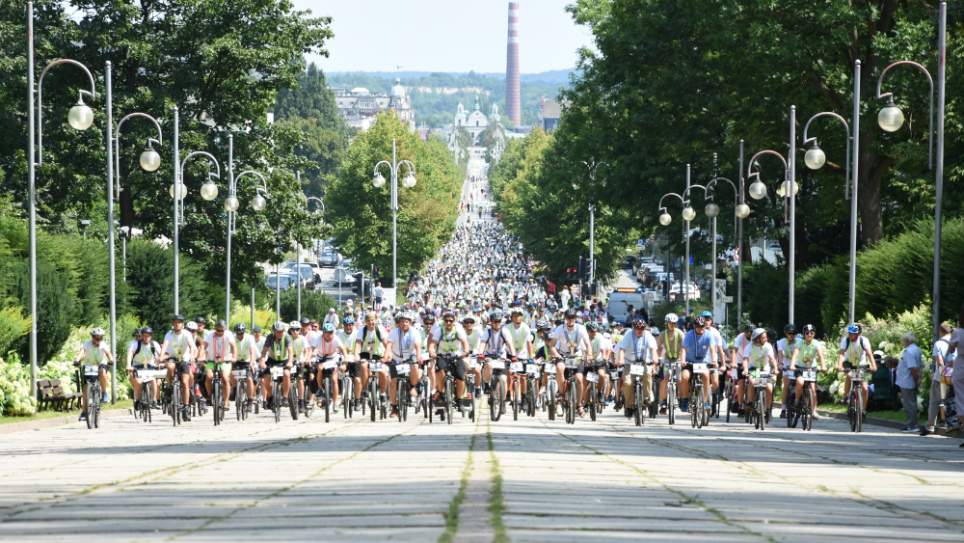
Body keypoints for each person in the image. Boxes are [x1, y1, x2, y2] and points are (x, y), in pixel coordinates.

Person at [548, 309, 592, 415]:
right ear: (565, 319)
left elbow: (587, 344)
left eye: (572, 318)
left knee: (580, 378)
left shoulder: (581, 329)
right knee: (559, 367)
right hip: (564, 355)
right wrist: (557, 355)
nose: (570, 320)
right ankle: (561, 393)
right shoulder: (560, 329)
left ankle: (579, 405)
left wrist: (589, 354)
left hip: (577, 356)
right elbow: (552, 345)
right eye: (568, 318)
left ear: (575, 319)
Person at [428, 310, 470, 420]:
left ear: (454, 322)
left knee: (461, 378)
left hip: (456, 356)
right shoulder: (439, 330)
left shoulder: (458, 330)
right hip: (442, 355)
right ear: (443, 321)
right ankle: (441, 392)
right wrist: (432, 351)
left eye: (450, 321)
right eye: (446, 321)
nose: (448, 323)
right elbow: (432, 344)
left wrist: (465, 352)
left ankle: (459, 399)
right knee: (440, 370)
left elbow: (465, 343)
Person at [615, 318, 658, 418]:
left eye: (642, 328)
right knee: (627, 382)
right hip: (629, 363)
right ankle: (629, 405)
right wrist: (621, 360)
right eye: (637, 328)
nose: (639, 330)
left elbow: (653, 349)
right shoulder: (628, 335)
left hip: (644, 363)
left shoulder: (648, 335)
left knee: (648, 374)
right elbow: (622, 349)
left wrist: (655, 359)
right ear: (633, 328)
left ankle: (647, 397)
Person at [383, 312, 422, 417]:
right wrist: (386, 356)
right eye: (402, 322)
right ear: (399, 323)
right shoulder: (394, 332)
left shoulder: (414, 332)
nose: (404, 324)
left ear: (410, 323)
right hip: (396, 358)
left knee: (414, 366)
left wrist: (419, 356)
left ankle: (413, 386)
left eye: (407, 321)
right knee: (393, 381)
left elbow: (417, 346)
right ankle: (394, 407)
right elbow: (389, 346)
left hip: (410, 357)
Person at [923, 322, 955, 436]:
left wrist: (943, 376)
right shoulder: (956, 342)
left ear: (940, 331)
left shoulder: (939, 343)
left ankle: (931, 425)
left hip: (942, 375)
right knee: (951, 400)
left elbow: (940, 361)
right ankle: (953, 423)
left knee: (935, 401)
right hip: (957, 375)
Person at [161, 314, 195, 421]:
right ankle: (170, 386)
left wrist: (192, 356)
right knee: (170, 367)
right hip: (172, 357)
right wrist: (161, 357)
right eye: (175, 322)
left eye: (179, 322)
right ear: (172, 324)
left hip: (183, 359)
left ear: (182, 324)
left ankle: (185, 407)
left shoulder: (186, 334)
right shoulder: (169, 334)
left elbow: (192, 346)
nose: (177, 324)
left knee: (185, 382)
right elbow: (165, 346)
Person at [837, 323, 877, 413]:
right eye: (850, 333)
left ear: (858, 334)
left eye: (853, 334)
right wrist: (839, 365)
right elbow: (842, 354)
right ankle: (845, 396)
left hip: (861, 364)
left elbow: (869, 354)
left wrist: (874, 366)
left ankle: (863, 409)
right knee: (850, 375)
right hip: (849, 363)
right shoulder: (845, 340)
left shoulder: (864, 340)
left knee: (865, 388)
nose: (851, 335)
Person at [74, 328, 112, 420]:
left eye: (100, 338)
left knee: (102, 371)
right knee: (85, 389)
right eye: (96, 338)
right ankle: (84, 412)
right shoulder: (87, 343)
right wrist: (77, 360)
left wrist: (111, 360)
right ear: (92, 337)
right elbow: (82, 352)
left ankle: (104, 393)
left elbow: (108, 354)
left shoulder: (103, 345)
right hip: (89, 366)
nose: (98, 340)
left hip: (100, 364)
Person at [679, 316, 715, 413]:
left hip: (703, 363)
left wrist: (714, 361)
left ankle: (706, 401)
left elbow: (712, 349)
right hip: (690, 362)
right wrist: (682, 360)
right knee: (684, 377)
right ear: (694, 326)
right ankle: (685, 399)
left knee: (706, 376)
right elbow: (683, 349)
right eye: (698, 326)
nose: (701, 328)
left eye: (702, 326)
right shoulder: (689, 335)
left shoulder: (709, 335)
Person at [790, 324, 825, 419]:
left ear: (814, 334)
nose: (809, 335)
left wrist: (823, 366)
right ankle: (797, 400)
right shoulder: (800, 343)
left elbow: (820, 355)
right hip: (800, 367)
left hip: (811, 368)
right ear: (804, 334)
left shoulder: (816, 343)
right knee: (800, 382)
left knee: (813, 390)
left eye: (812, 333)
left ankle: (813, 411)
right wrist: (792, 365)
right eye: (807, 333)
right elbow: (795, 354)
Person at [742, 327, 778, 414]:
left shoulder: (768, 346)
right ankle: (750, 402)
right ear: (757, 338)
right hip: (755, 370)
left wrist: (775, 368)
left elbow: (772, 359)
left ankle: (768, 409)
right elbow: (745, 359)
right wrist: (746, 369)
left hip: (765, 370)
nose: (766, 339)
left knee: (769, 387)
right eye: (764, 337)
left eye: (766, 337)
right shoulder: (749, 346)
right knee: (752, 381)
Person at [259, 321, 293, 409]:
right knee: (265, 379)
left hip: (284, 361)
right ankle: (270, 396)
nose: (279, 333)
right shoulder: (270, 337)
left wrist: (290, 362)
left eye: (281, 331)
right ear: (274, 331)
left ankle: (285, 397)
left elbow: (290, 351)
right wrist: (262, 361)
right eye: (277, 331)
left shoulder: (287, 337)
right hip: (272, 360)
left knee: (286, 374)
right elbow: (264, 352)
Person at [127, 327, 161, 410]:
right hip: (137, 367)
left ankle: (154, 400)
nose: (146, 338)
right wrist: (128, 365)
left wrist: (161, 362)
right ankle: (138, 400)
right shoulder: (135, 344)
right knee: (138, 383)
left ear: (151, 336)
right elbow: (130, 354)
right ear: (141, 336)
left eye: (148, 336)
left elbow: (160, 356)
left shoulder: (154, 344)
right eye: (144, 336)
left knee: (153, 379)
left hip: (150, 367)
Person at [204, 320, 235, 411]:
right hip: (211, 360)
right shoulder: (210, 335)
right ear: (215, 329)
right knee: (209, 377)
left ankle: (226, 401)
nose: (220, 332)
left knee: (225, 378)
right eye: (218, 330)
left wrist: (234, 356)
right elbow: (203, 346)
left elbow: (233, 346)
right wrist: (201, 355)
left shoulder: (228, 335)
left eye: (222, 331)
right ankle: (210, 396)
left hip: (225, 360)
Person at [896, 332, 922, 432]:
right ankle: (912, 424)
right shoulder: (917, 349)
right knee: (912, 403)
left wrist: (916, 380)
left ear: (907, 340)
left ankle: (912, 425)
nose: (902, 342)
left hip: (907, 381)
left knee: (909, 404)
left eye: (903, 340)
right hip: (909, 380)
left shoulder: (908, 351)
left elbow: (913, 368)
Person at [776, 324, 802, 418]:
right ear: (785, 334)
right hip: (787, 366)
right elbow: (780, 354)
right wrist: (780, 363)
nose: (791, 335)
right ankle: (783, 409)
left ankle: (800, 402)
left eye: (793, 333)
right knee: (786, 386)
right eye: (789, 333)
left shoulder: (800, 341)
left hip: (797, 366)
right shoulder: (781, 342)